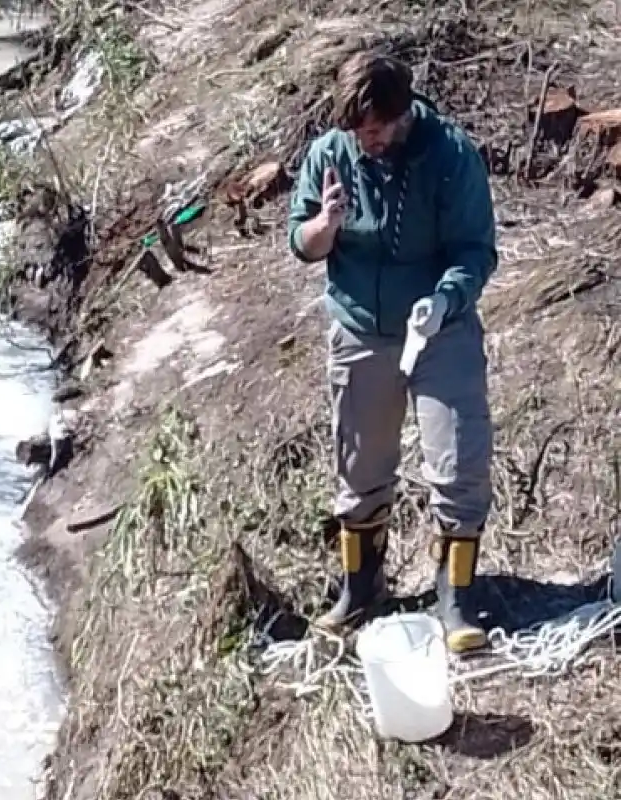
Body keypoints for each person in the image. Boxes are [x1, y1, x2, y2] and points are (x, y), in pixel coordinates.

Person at [285, 50, 498, 654]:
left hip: (439, 330)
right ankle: (362, 590)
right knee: (359, 471)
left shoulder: (450, 155)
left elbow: (476, 250)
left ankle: (455, 599)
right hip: (361, 329)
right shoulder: (331, 153)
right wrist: (325, 226)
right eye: (357, 131)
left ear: (402, 114)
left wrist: (445, 298)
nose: (366, 141)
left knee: (458, 464)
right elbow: (300, 240)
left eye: (375, 129)